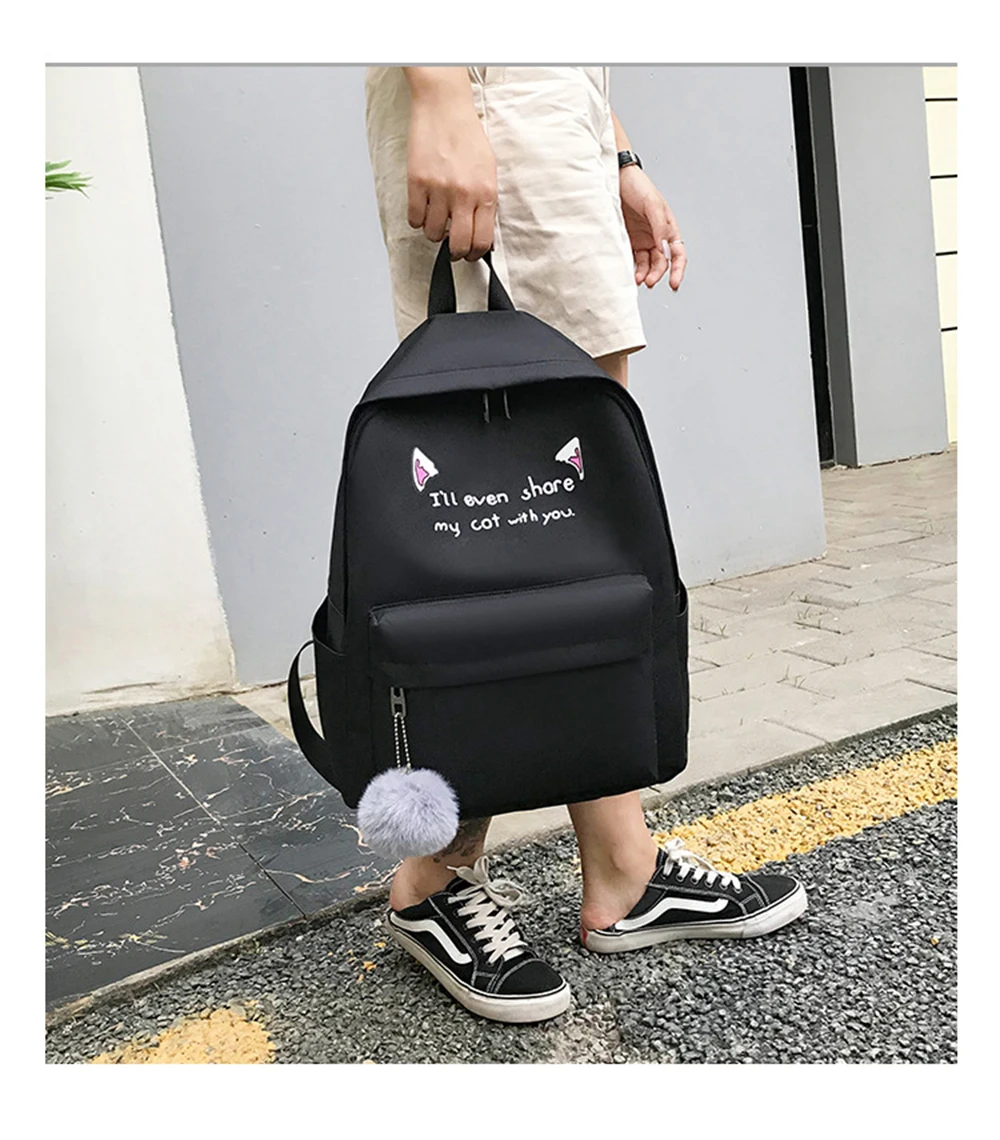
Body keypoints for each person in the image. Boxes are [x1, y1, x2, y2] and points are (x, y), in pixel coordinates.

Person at [364, 66, 807, 1024]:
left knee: (580, 534)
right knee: (492, 533)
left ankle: (621, 865)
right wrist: (441, 90)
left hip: (556, 113)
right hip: (489, 97)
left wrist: (617, 152)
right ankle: (434, 874)